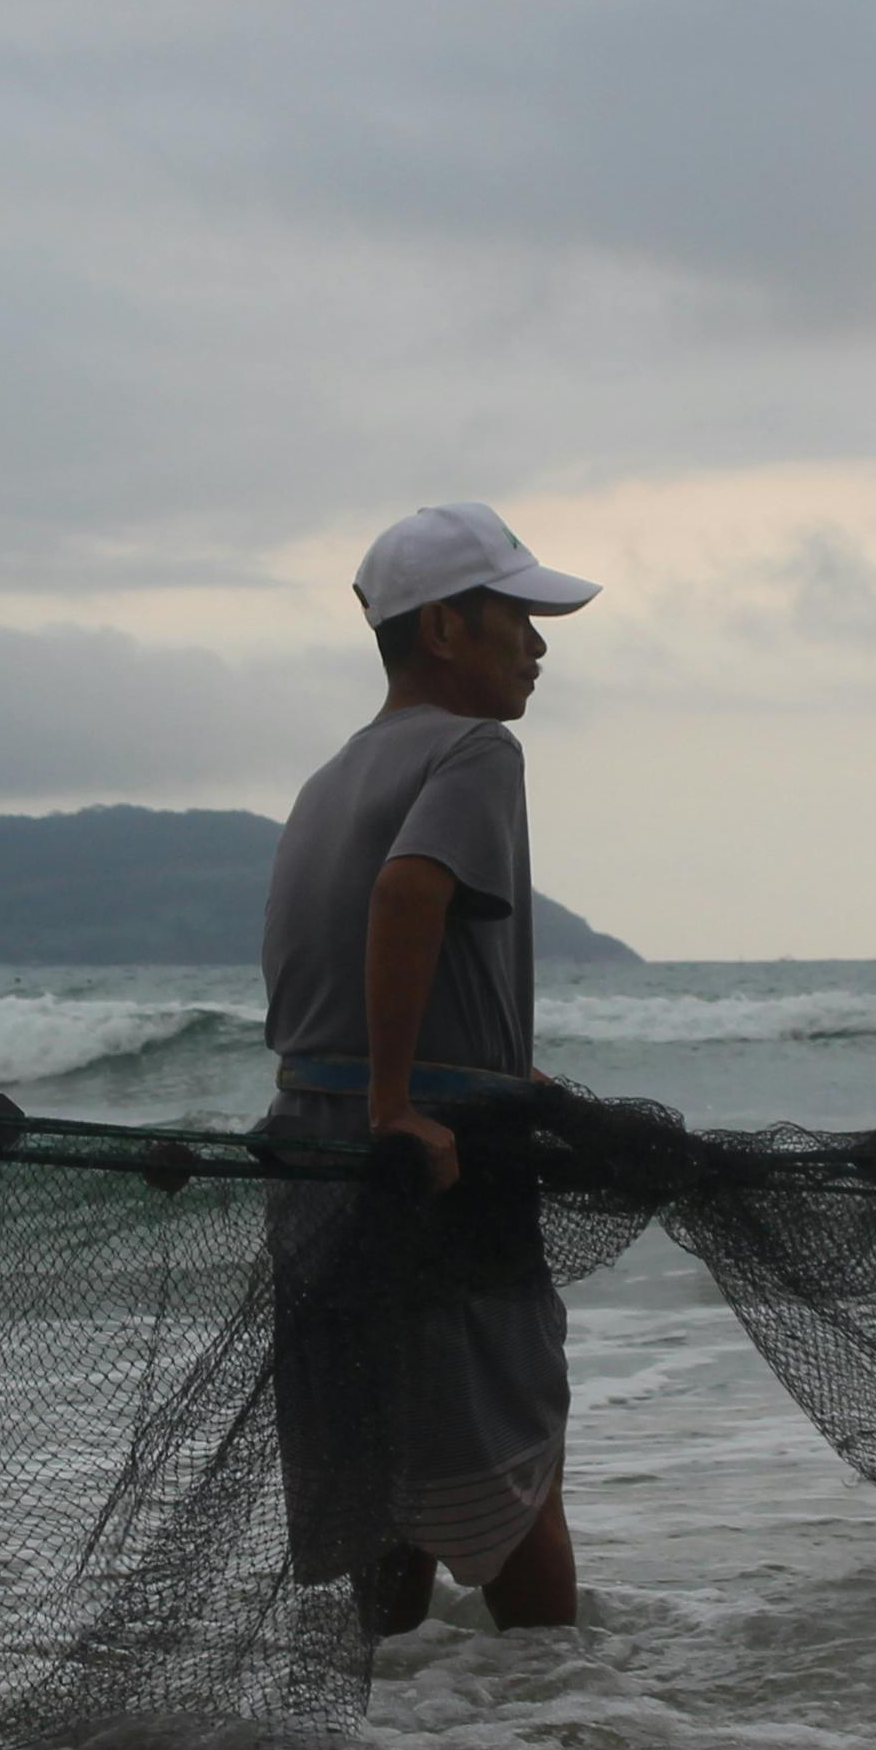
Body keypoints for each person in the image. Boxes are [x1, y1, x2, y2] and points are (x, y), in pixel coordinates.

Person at [257, 503, 606, 1635]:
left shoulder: (328, 778)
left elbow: (319, 971)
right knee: (517, 1467)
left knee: (383, 1480)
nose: (538, 646)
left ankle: (398, 1717)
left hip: (316, 1165)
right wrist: (401, 1103)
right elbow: (409, 891)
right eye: (518, 619)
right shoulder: (475, 749)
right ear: (447, 629)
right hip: (437, 1167)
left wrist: (479, 1069)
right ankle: (561, 1712)